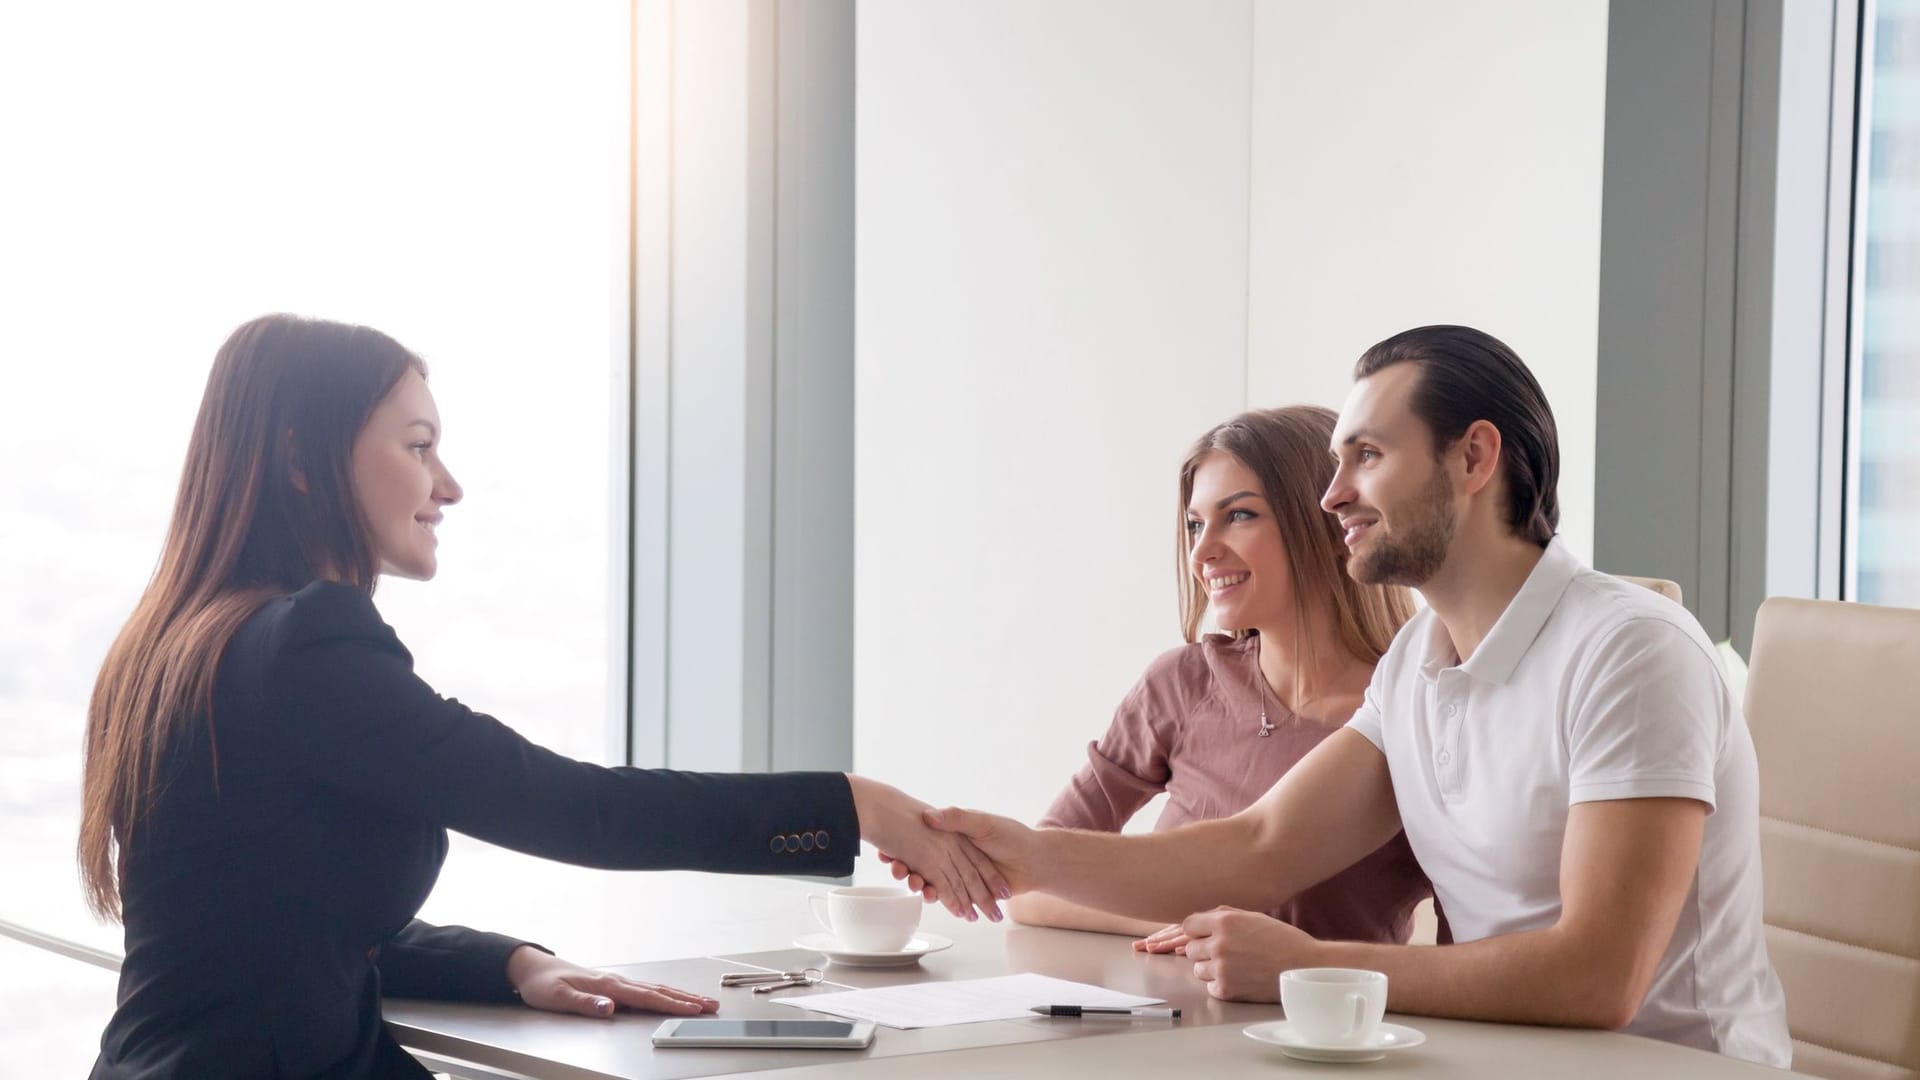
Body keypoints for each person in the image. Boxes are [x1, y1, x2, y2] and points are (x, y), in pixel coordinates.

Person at [78, 314, 1007, 1079]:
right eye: (418, 446)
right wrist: (856, 805)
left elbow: (273, 925)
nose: (449, 485)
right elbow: (580, 808)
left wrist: (514, 963)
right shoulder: (308, 647)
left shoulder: (172, 646)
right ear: (300, 461)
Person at [907, 326, 1790, 1066]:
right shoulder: (1417, 662)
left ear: (1475, 457)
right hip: (1503, 1056)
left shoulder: (1630, 652)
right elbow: (1262, 845)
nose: (1332, 497)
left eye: (1366, 456)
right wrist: (1021, 854)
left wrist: (1313, 965)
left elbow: (1599, 977)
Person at [1007, 406, 1435, 950]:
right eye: (1194, 524)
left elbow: (1466, 950)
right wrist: (1192, 925)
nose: (1202, 551)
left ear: (1332, 524)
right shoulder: (1181, 685)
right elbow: (1028, 886)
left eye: (1239, 516)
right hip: (1154, 1024)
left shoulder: (1417, 715)